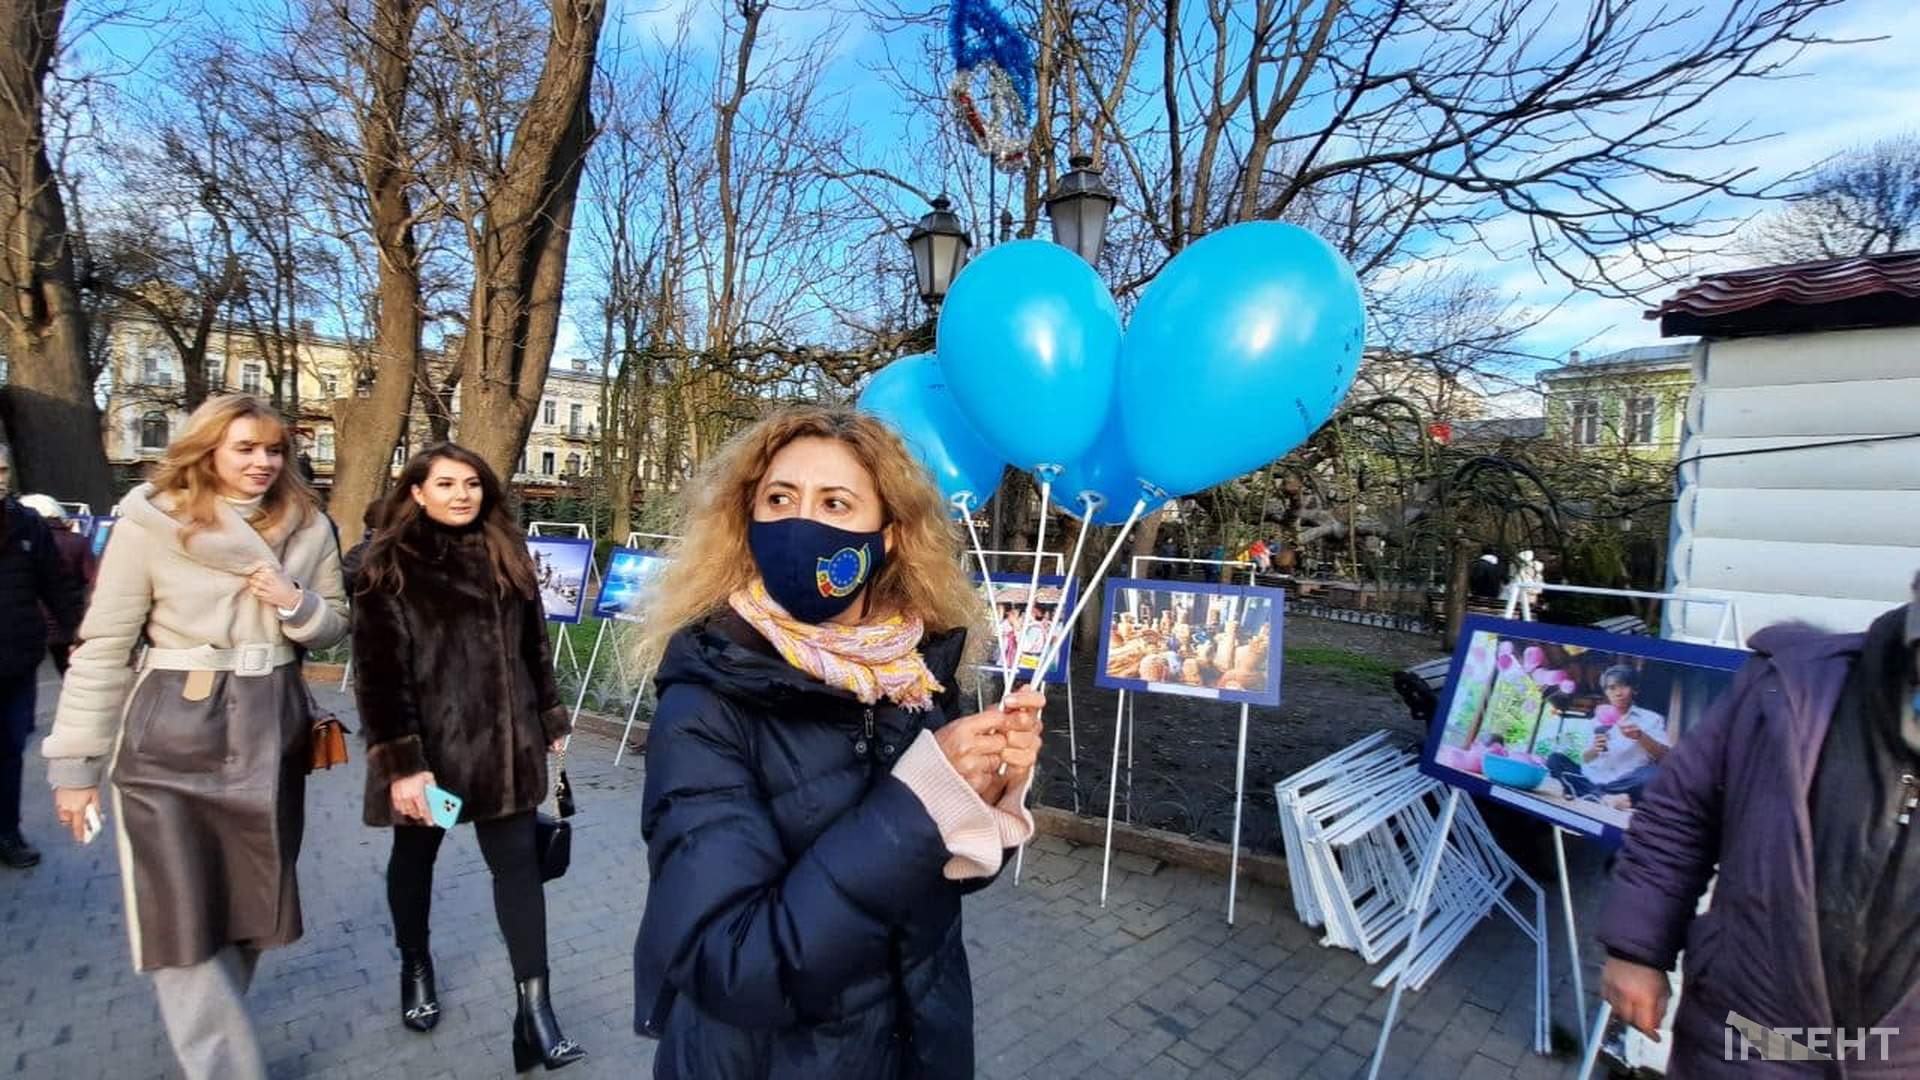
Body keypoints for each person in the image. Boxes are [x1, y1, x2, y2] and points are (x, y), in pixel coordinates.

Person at [630, 406, 1045, 1078]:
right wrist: (923, 807)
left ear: (888, 537)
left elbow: (942, 884)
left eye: (837, 502)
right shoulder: (705, 699)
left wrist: (986, 796)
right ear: (749, 522)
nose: (803, 523)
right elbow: (732, 962)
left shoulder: (918, 673)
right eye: (780, 498)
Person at [40, 395, 349, 1078]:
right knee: (176, 910)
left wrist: (295, 603)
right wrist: (75, 765)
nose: (264, 462)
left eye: (274, 449)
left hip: (270, 725)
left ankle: (210, 1035)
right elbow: (103, 645)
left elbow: (334, 625)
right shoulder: (151, 521)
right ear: (207, 448)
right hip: (169, 733)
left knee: (251, 905)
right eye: (245, 448)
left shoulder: (309, 523)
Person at [1598, 580, 1920, 1074]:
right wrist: (1637, 949)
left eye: (1621, 687)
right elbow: (1682, 809)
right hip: (1746, 1045)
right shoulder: (1791, 684)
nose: (1616, 694)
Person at [349, 443, 584, 1070]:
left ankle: (535, 1009)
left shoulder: (507, 554)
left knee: (519, 872)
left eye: (473, 484)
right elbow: (378, 676)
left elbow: (535, 647)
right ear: (417, 492)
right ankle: (415, 965)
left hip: (505, 747)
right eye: (446, 483)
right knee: (415, 859)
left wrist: (550, 717)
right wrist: (402, 765)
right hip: (429, 753)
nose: (462, 494)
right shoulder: (389, 563)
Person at [0, 473, 86, 869]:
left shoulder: (26, 522)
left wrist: (78, 635)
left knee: (10, 749)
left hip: (16, 658)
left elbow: (56, 583)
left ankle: (7, 832)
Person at [1545, 665, 1669, 804]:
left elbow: (1664, 756)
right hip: (1591, 778)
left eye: (1623, 686)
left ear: (1634, 689)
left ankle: (1594, 795)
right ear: (1606, 692)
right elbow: (1585, 758)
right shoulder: (1595, 721)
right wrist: (1594, 749)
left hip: (1625, 783)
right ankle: (1604, 798)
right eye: (1612, 688)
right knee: (1555, 760)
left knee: (1657, 774)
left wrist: (1641, 736)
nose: (1618, 693)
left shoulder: (1651, 719)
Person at [18, 494, 97, 675]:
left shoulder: (24, 543)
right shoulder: (77, 541)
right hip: (74, 615)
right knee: (77, 671)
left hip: (37, 618)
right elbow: (92, 579)